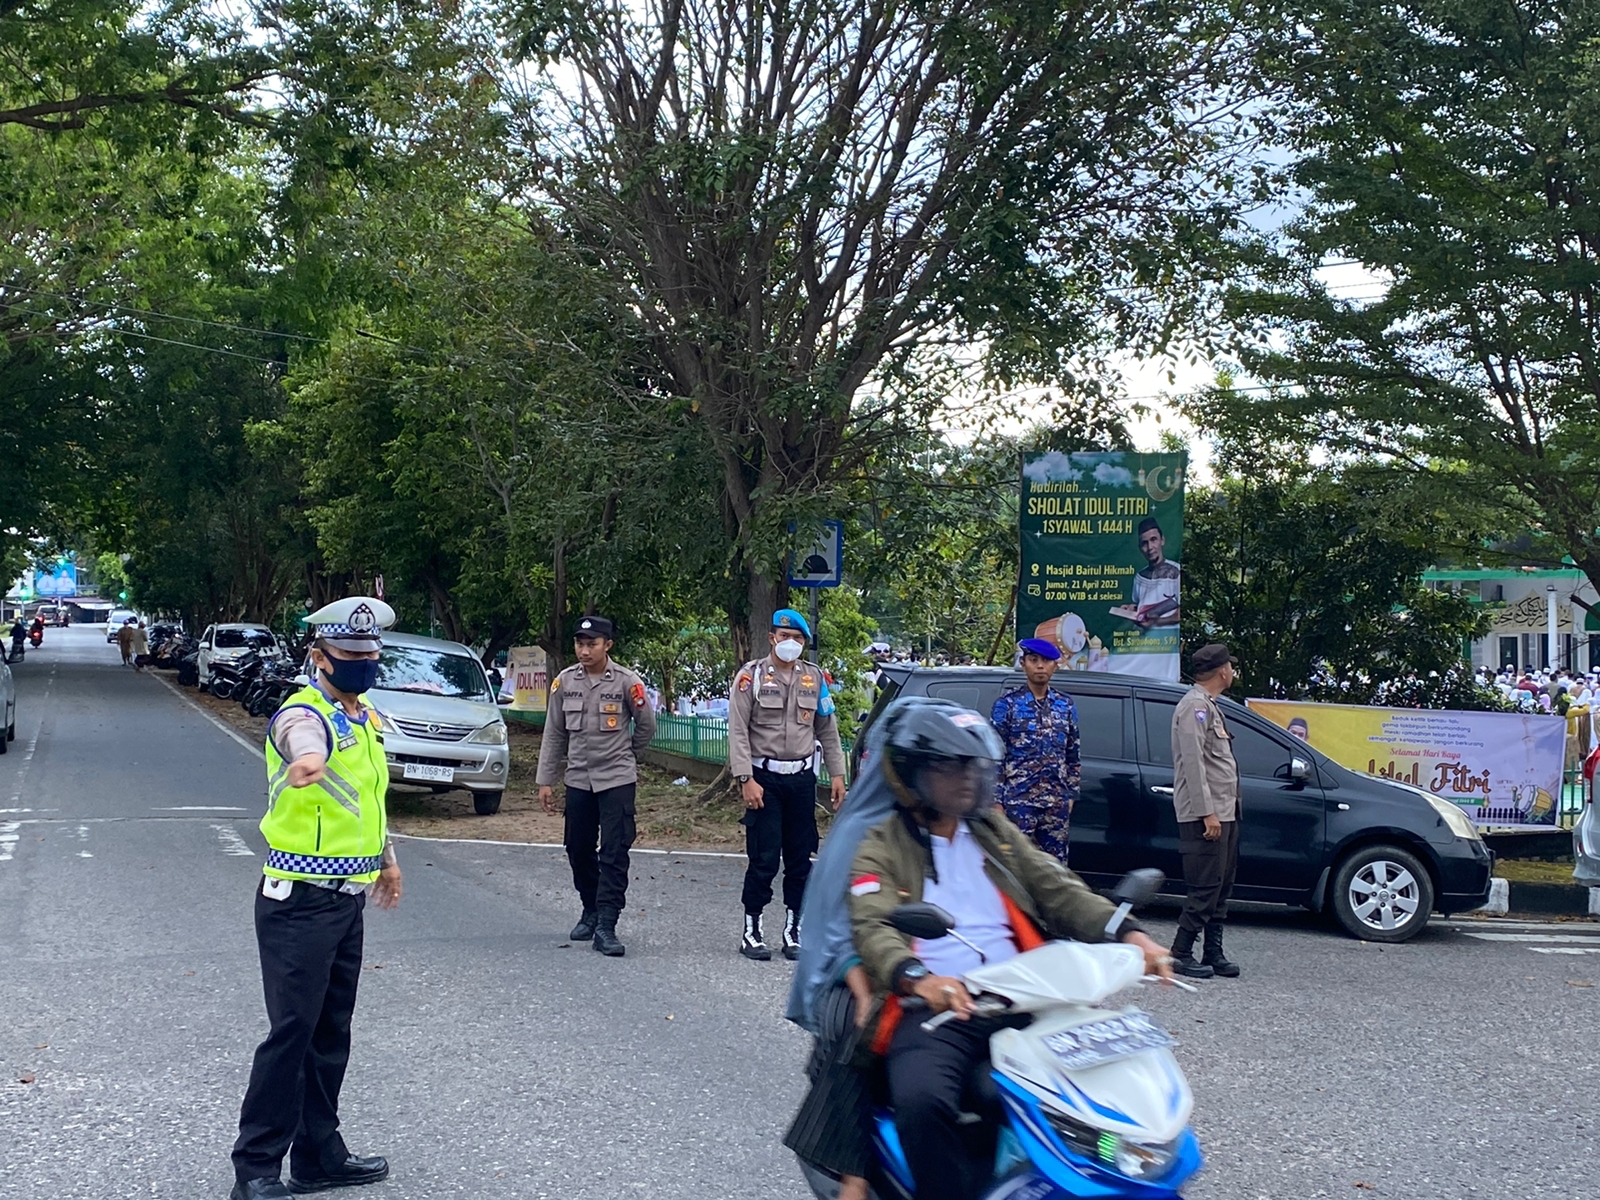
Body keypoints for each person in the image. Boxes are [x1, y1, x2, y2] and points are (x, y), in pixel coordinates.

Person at [847, 701, 1172, 1200]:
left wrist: (1131, 934)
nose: (968, 778)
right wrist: (917, 977)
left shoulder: (993, 834)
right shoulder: (880, 846)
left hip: (1027, 993)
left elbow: (1058, 888)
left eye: (974, 767)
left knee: (1095, 1087)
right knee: (922, 1099)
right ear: (912, 774)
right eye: (950, 766)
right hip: (938, 1009)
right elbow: (873, 925)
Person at [230, 596, 402, 1200]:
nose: (362, 663)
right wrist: (308, 758)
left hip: (345, 900)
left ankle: (318, 1154)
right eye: (349, 655)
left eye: (369, 654)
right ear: (318, 656)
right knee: (292, 1032)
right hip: (296, 901)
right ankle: (254, 1166)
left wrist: (387, 862)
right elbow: (302, 740)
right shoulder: (303, 714)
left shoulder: (366, 717)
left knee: (332, 1030)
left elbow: (368, 799)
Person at [728, 608, 847, 961]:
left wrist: (837, 773)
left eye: (797, 639)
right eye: (784, 637)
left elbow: (827, 728)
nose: (790, 644)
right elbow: (738, 729)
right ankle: (753, 929)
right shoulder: (751, 677)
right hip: (763, 779)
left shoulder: (814, 678)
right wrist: (745, 778)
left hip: (801, 780)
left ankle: (793, 929)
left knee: (800, 859)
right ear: (772, 639)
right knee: (763, 858)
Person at [536, 615, 657, 957]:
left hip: (616, 778)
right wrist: (546, 779)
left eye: (592, 644)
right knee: (577, 846)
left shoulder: (625, 682)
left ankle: (607, 922)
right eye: (579, 644)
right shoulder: (564, 682)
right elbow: (555, 732)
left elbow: (646, 726)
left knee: (615, 852)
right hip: (578, 778)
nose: (584, 651)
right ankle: (589, 907)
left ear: (608, 645)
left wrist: (627, 754)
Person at [1169, 642, 1243, 980]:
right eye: (1230, 666)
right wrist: (1207, 813)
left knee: (1221, 886)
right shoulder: (1194, 707)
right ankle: (1180, 952)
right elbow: (1193, 763)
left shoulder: (1211, 706)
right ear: (1221, 670)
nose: (1232, 671)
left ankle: (1212, 951)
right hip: (1206, 814)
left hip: (1225, 811)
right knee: (1205, 885)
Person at [988, 637, 1079, 862]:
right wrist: (996, 801)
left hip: (1055, 804)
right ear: (1023, 663)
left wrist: (1070, 796)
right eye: (1033, 659)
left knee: (1056, 872)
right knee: (1015, 867)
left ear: (1055, 666)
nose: (1040, 665)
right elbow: (994, 755)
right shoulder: (1007, 705)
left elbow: (1072, 754)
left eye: (1046, 661)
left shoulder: (1065, 705)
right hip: (1018, 803)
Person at [1131, 517, 1181, 628]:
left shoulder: (1177, 572)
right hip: (1141, 642)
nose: (1150, 548)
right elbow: (1141, 607)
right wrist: (1131, 609)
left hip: (1168, 641)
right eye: (1144, 543)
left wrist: (1157, 621)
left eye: (1153, 540)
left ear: (1162, 540)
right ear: (1140, 548)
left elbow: (1182, 613)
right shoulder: (1139, 577)